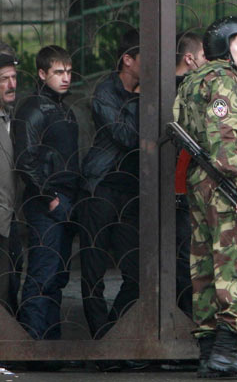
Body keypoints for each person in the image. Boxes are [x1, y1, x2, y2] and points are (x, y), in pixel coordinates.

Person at [174, 16, 237, 378]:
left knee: (206, 265)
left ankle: (209, 353)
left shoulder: (194, 81)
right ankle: (225, 351)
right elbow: (224, 137)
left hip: (200, 181)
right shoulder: (225, 81)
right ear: (224, 46)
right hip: (224, 183)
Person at [79, 29, 141, 346]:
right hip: (101, 188)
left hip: (132, 193)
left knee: (137, 273)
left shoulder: (147, 92)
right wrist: (144, 103)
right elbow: (128, 136)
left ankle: (112, 334)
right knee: (93, 269)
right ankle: (100, 340)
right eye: (145, 58)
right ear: (128, 60)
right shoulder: (105, 91)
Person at [13, 45, 79, 343]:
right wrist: (47, 196)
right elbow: (26, 159)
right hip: (47, 201)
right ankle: (33, 343)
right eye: (58, 72)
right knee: (43, 272)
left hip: (64, 197)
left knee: (56, 275)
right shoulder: (33, 109)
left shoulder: (63, 107)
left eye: (68, 72)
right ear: (42, 73)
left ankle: (49, 345)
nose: (65, 78)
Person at [174, 31, 207, 318]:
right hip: (182, 186)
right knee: (186, 258)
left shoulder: (161, 87)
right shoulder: (189, 91)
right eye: (204, 57)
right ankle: (184, 320)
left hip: (174, 185)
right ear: (190, 59)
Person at [0, 42, 18, 315]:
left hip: (9, 221)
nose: (11, 84)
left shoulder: (11, 117)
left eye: (14, 78)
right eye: (4, 79)